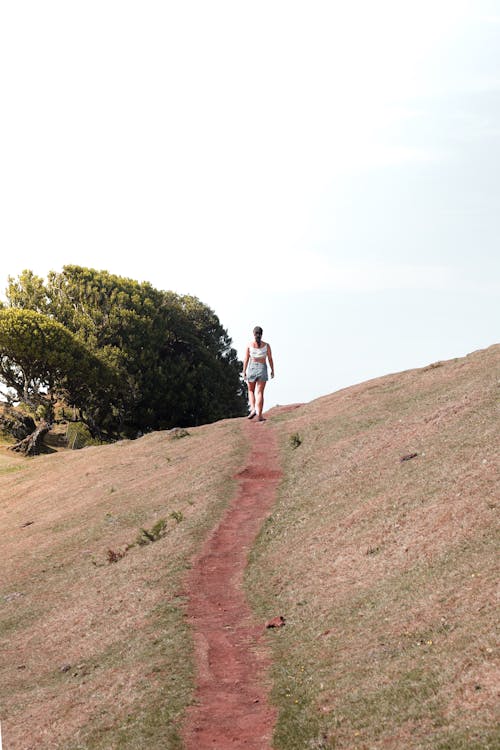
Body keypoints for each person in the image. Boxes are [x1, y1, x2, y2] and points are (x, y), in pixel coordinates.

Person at [243, 326, 274, 421]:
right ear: (261, 334)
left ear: (254, 334)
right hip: (262, 367)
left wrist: (244, 371)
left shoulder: (249, 345)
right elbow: (270, 358)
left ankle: (252, 409)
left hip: (252, 367)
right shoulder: (266, 346)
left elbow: (246, 359)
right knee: (260, 392)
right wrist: (273, 370)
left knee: (251, 390)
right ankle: (260, 415)